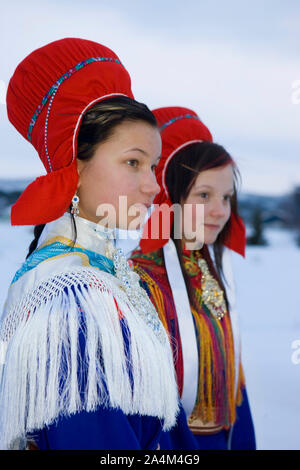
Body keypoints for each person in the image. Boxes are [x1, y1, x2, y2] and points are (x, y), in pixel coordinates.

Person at [0, 38, 179, 450]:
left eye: (152, 165)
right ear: (75, 167)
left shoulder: (102, 272)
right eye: (132, 163)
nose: (153, 186)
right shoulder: (70, 298)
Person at [130, 106, 256, 450]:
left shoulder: (210, 273)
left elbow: (234, 389)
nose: (221, 211)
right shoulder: (143, 283)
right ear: (169, 198)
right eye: (204, 195)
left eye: (227, 197)